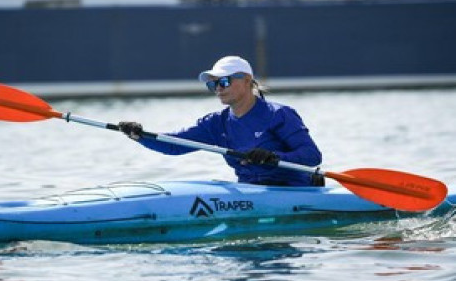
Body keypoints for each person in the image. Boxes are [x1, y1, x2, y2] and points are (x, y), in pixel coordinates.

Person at [119, 56, 323, 186]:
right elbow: (175, 146)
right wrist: (139, 135)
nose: (218, 88)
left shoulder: (279, 114)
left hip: (292, 190)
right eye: (213, 84)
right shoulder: (216, 123)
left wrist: (273, 157)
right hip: (249, 191)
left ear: (246, 81)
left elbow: (312, 156)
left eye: (224, 82)